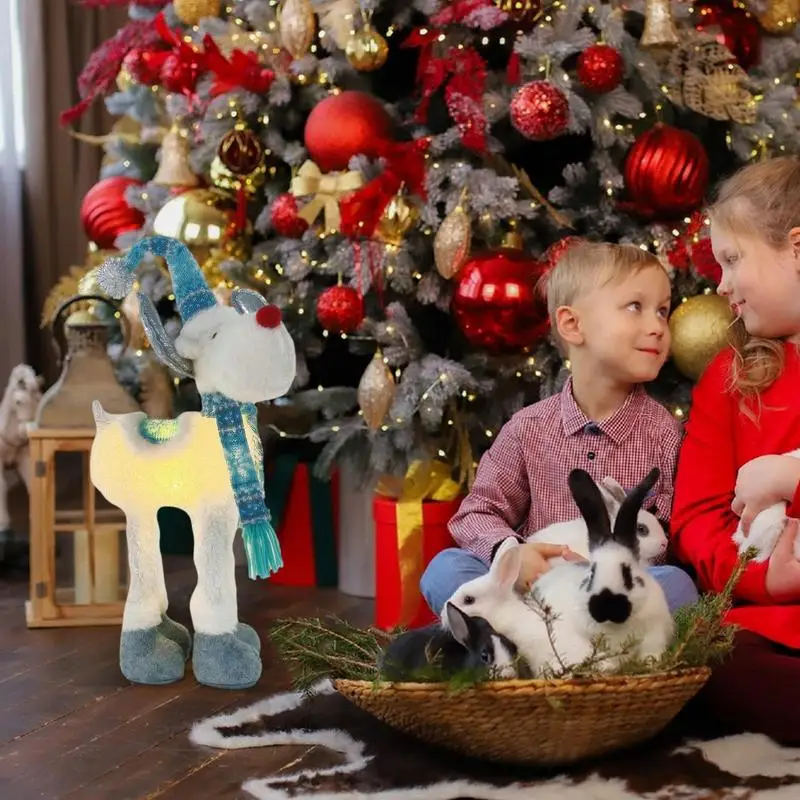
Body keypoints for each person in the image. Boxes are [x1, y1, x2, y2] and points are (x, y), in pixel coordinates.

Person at [420, 240, 699, 617]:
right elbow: (477, 513)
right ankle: (519, 636)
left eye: (662, 311)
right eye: (636, 307)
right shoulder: (528, 429)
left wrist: (608, 568)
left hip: (613, 600)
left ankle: (564, 641)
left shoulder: (665, 435)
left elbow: (668, 539)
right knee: (445, 569)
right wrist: (513, 553)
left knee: (677, 586)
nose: (658, 327)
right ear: (572, 324)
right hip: (532, 591)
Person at [670, 156, 800, 746]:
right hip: (769, 614)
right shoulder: (729, 377)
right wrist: (766, 579)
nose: (720, 285)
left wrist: (790, 481)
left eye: (732, 259)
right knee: (715, 659)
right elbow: (696, 520)